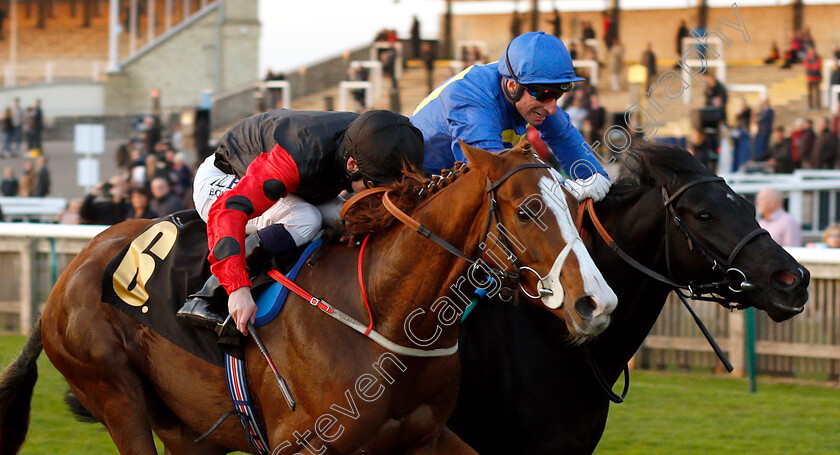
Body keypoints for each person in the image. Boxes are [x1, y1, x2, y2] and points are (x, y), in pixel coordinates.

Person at [180, 109, 425, 335]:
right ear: (352, 165)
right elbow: (228, 211)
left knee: (354, 219)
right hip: (225, 179)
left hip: (293, 181)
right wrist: (237, 289)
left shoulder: (372, 138)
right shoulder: (296, 158)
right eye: (374, 185)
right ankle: (208, 295)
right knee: (306, 219)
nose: (379, 194)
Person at [411, 31, 610, 202]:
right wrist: (565, 189)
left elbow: (564, 136)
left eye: (557, 95)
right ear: (512, 86)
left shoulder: (529, 87)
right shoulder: (470, 98)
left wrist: (596, 179)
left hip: (458, 185)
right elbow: (493, 173)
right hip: (421, 189)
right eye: (545, 94)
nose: (551, 108)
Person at [803, 46, 822, 110]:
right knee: (809, 93)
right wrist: (812, 66)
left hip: (816, 77)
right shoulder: (807, 58)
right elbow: (806, 66)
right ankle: (810, 106)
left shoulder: (817, 57)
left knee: (817, 93)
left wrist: (811, 66)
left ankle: (817, 106)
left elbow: (817, 66)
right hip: (809, 78)